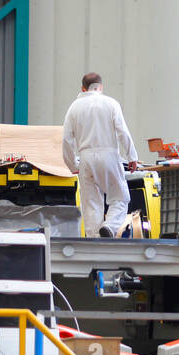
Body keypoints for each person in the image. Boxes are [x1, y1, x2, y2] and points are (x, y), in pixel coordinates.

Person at [61, 72, 139, 237]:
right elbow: (122, 132)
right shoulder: (111, 103)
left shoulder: (74, 108)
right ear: (101, 87)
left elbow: (67, 140)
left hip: (86, 158)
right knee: (120, 198)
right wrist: (132, 157)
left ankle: (94, 241)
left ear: (83, 88)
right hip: (109, 155)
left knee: (91, 205)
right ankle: (110, 226)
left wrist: (72, 165)